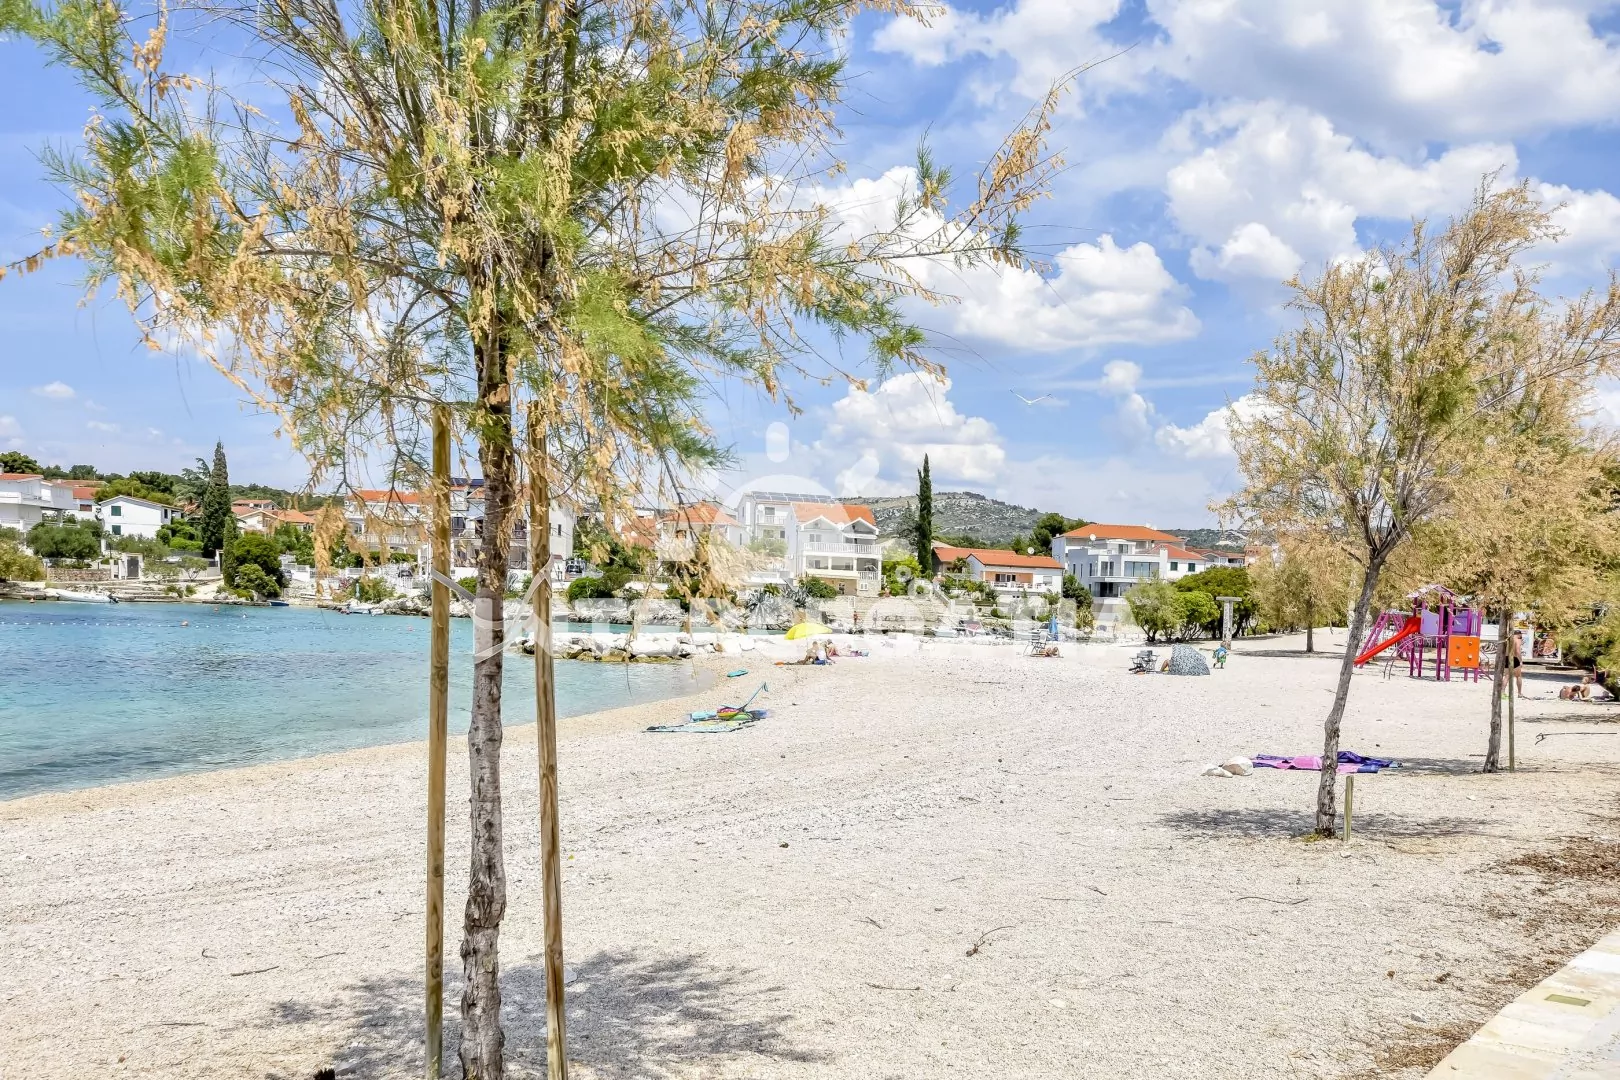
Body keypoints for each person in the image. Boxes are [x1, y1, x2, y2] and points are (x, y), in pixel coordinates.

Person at [1506, 630, 1525, 698]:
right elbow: (1517, 651)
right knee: (1518, 676)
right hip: (1514, 658)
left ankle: (1502, 692)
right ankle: (1519, 693)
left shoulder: (1508, 640)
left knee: (1506, 676)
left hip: (1507, 657)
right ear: (1519, 634)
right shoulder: (1518, 640)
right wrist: (1520, 661)